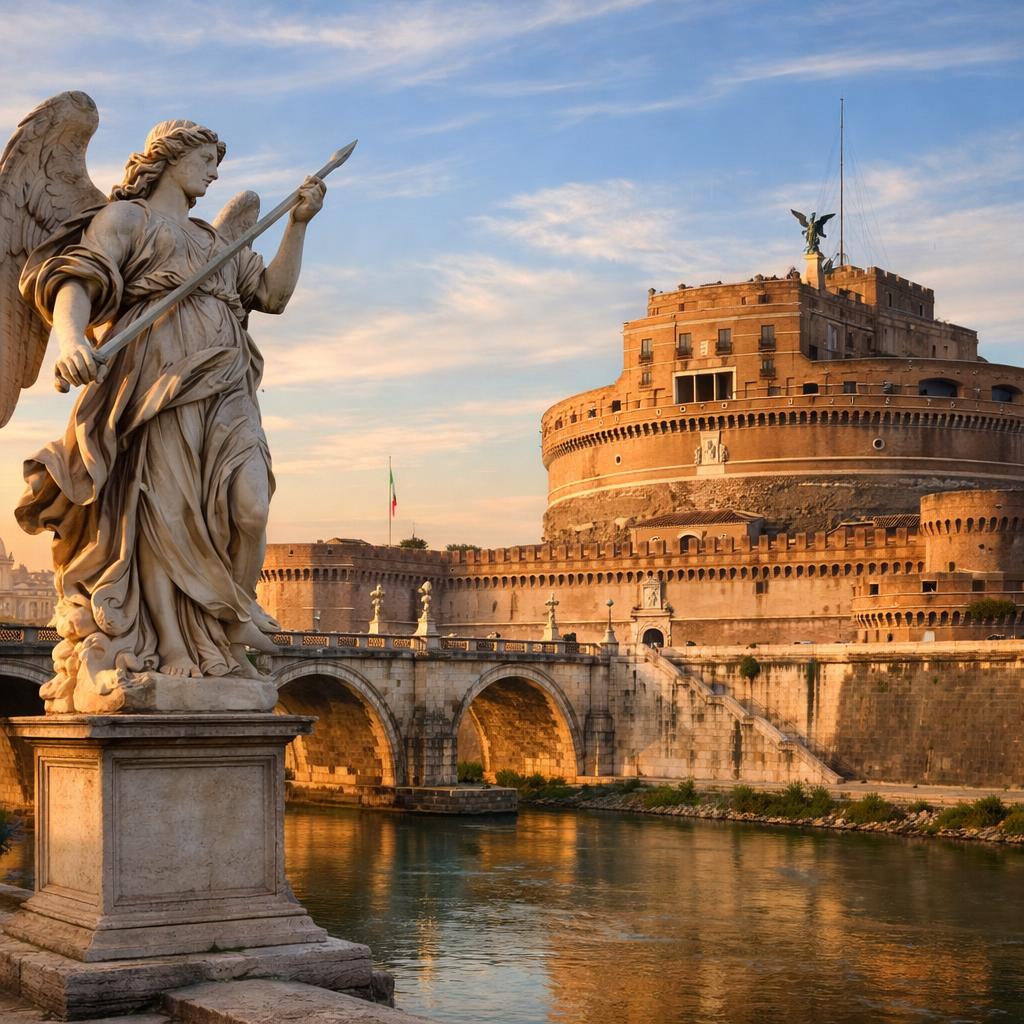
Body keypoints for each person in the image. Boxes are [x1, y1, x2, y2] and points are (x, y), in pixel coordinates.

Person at [17, 119, 325, 706]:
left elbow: (275, 296)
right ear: (170, 157)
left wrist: (298, 225)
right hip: (157, 389)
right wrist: (72, 341)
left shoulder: (218, 243)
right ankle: (179, 649)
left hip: (227, 389)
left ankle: (229, 615)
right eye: (206, 159)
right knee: (164, 520)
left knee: (250, 507)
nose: (213, 172)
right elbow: (74, 283)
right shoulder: (126, 220)